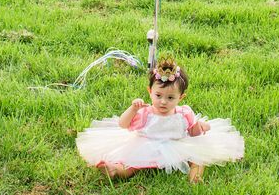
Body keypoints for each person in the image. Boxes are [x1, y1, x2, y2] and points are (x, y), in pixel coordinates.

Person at [76, 57, 244, 183]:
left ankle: (195, 177)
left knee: (198, 157)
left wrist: (202, 126)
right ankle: (115, 170)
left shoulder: (184, 113)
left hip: (176, 145)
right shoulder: (145, 113)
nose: (163, 101)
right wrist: (133, 109)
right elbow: (123, 124)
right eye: (158, 96)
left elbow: (193, 131)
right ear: (150, 92)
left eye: (170, 97)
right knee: (131, 166)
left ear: (181, 97)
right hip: (146, 145)